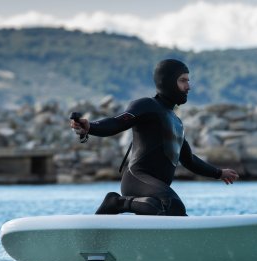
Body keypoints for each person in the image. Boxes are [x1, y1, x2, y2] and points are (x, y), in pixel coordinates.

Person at [70, 59, 239, 216]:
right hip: (137, 180)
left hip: (154, 192)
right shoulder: (146, 105)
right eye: (183, 80)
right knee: (173, 205)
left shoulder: (177, 122)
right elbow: (117, 122)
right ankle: (116, 202)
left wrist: (219, 173)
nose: (188, 86)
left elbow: (189, 160)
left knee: (168, 207)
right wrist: (90, 126)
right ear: (167, 82)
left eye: (188, 80)